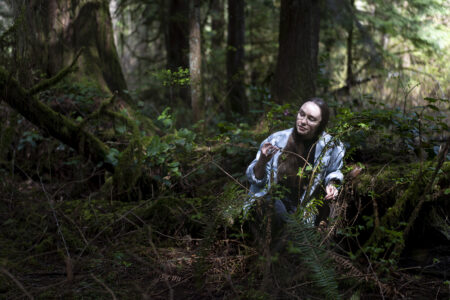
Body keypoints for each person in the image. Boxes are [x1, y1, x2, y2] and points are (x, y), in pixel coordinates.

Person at [245, 98, 345, 224]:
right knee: (274, 206)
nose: (303, 121)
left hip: (301, 210)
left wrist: (331, 184)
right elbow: (255, 180)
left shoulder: (331, 146)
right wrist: (262, 161)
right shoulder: (276, 140)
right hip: (270, 204)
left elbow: (334, 171)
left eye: (311, 119)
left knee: (296, 231)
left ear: (321, 123)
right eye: (301, 114)